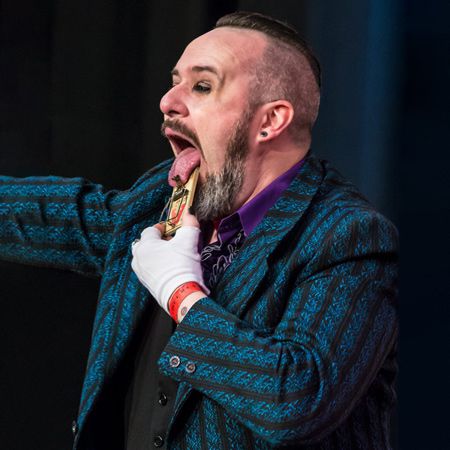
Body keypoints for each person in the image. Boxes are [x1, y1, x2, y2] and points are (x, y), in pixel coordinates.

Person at [0, 11, 398, 450]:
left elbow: (296, 398)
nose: (167, 101)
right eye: (175, 82)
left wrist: (180, 293)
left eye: (202, 86)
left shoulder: (349, 237)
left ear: (270, 121)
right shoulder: (161, 199)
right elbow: (65, 216)